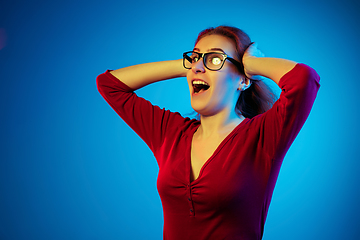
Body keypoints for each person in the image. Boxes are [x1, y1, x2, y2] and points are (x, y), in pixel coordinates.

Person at [97, 26, 320, 240]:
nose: (198, 67)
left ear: (243, 80)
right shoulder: (170, 132)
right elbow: (109, 84)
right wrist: (191, 65)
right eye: (194, 58)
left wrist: (253, 63)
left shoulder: (263, 136)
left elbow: (304, 79)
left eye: (215, 59)